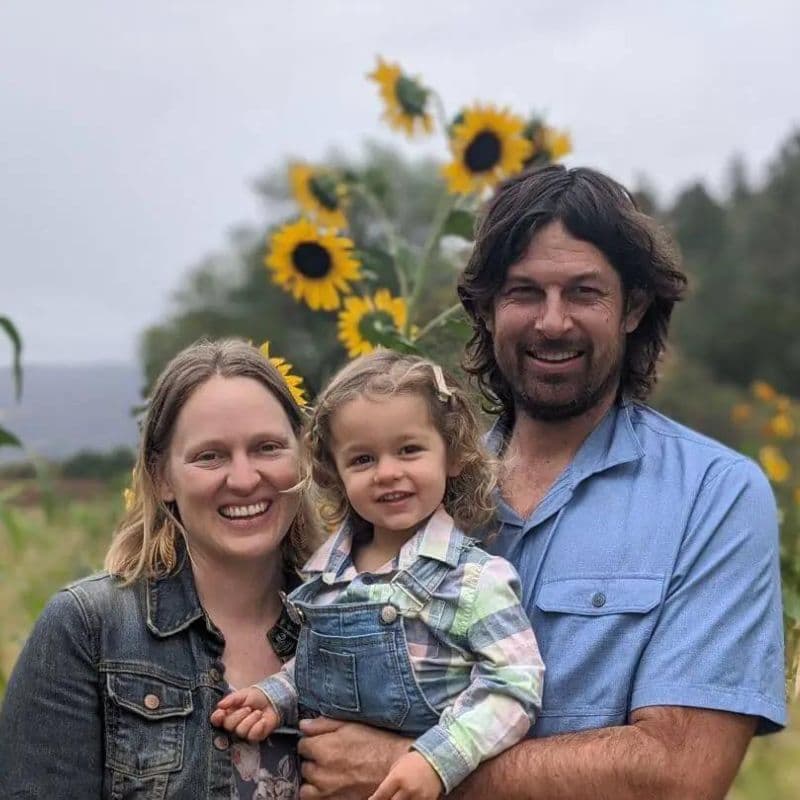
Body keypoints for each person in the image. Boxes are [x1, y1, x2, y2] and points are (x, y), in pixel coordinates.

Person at [289, 165, 787, 800]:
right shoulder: (407, 489)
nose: (553, 323)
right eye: (524, 292)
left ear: (633, 307)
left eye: (584, 292)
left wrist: (415, 768)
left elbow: (679, 773)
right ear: (487, 309)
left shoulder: (714, 495)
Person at [211, 350, 544, 800]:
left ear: (454, 455)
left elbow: (516, 685)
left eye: (409, 450)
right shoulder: (326, 579)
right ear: (336, 473)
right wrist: (276, 695)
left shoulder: (473, 580)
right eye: (363, 459)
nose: (388, 473)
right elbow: (324, 669)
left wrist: (436, 758)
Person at [0, 338, 318, 799]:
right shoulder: (89, 629)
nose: (245, 479)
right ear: (161, 477)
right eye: (210, 456)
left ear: (304, 455)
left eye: (268, 447)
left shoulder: (355, 622)